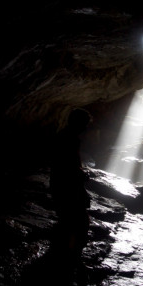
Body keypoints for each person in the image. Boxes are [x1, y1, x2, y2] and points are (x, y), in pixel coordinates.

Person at [49, 108, 92, 270]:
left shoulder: (64, 136)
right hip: (67, 185)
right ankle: (70, 260)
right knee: (78, 222)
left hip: (59, 183)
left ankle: (63, 258)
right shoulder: (70, 139)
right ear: (79, 123)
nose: (87, 127)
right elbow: (68, 165)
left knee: (68, 220)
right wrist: (81, 176)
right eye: (85, 124)